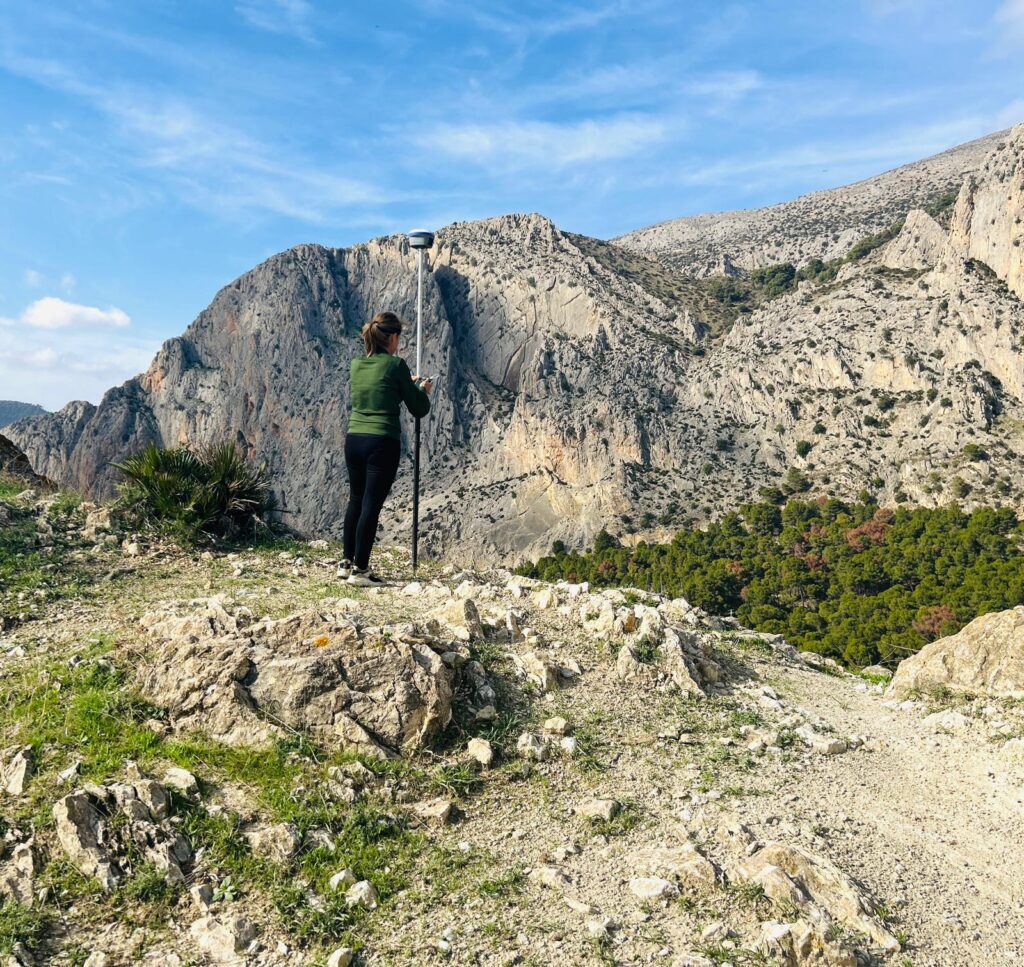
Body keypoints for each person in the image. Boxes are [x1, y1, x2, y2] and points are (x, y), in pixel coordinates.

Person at [339, 311, 432, 586]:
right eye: (399, 338)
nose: (399, 343)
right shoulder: (396, 366)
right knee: (371, 503)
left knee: (356, 499)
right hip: (382, 441)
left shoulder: (357, 365)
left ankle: (346, 563)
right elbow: (419, 409)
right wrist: (422, 389)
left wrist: (406, 382)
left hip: (354, 438)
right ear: (392, 337)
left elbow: (381, 387)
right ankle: (362, 570)